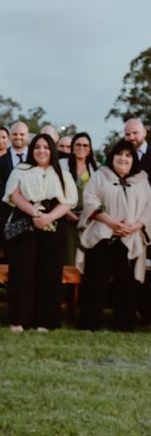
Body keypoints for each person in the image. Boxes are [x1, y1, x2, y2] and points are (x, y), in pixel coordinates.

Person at [3, 134, 78, 332]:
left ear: (52, 150)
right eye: (37, 147)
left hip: (52, 224)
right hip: (25, 222)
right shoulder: (21, 170)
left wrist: (49, 217)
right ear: (32, 150)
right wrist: (35, 213)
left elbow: (68, 201)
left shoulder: (62, 173)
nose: (41, 151)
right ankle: (19, 319)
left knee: (49, 272)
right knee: (22, 272)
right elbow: (14, 194)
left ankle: (45, 321)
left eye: (46, 147)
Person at [78, 140, 151, 331]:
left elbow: (149, 207)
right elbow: (90, 200)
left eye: (128, 155)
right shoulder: (100, 176)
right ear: (112, 156)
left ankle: (124, 324)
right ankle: (89, 323)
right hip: (103, 235)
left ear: (133, 160)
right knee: (96, 280)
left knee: (126, 282)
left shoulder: (142, 180)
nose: (123, 158)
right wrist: (111, 222)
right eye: (120, 154)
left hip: (130, 237)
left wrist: (135, 226)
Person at [123, 118, 151, 322]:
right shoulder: (122, 156)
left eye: (135, 133)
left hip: (149, 220)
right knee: (131, 266)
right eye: (127, 134)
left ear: (144, 133)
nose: (131, 137)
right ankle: (131, 310)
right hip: (128, 223)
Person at [59, 132, 98, 267]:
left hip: (88, 219)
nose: (81, 148)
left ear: (90, 149)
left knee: (86, 257)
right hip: (65, 217)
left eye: (85, 145)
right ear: (73, 147)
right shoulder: (62, 165)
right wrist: (66, 212)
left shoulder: (96, 169)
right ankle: (66, 288)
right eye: (78, 144)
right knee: (67, 256)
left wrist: (88, 215)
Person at [0, 121, 30, 252]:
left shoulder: (35, 158)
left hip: (33, 217)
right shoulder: (1, 161)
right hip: (9, 216)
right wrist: (16, 202)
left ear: (28, 136)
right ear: (10, 136)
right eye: (15, 134)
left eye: (22, 134)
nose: (18, 137)